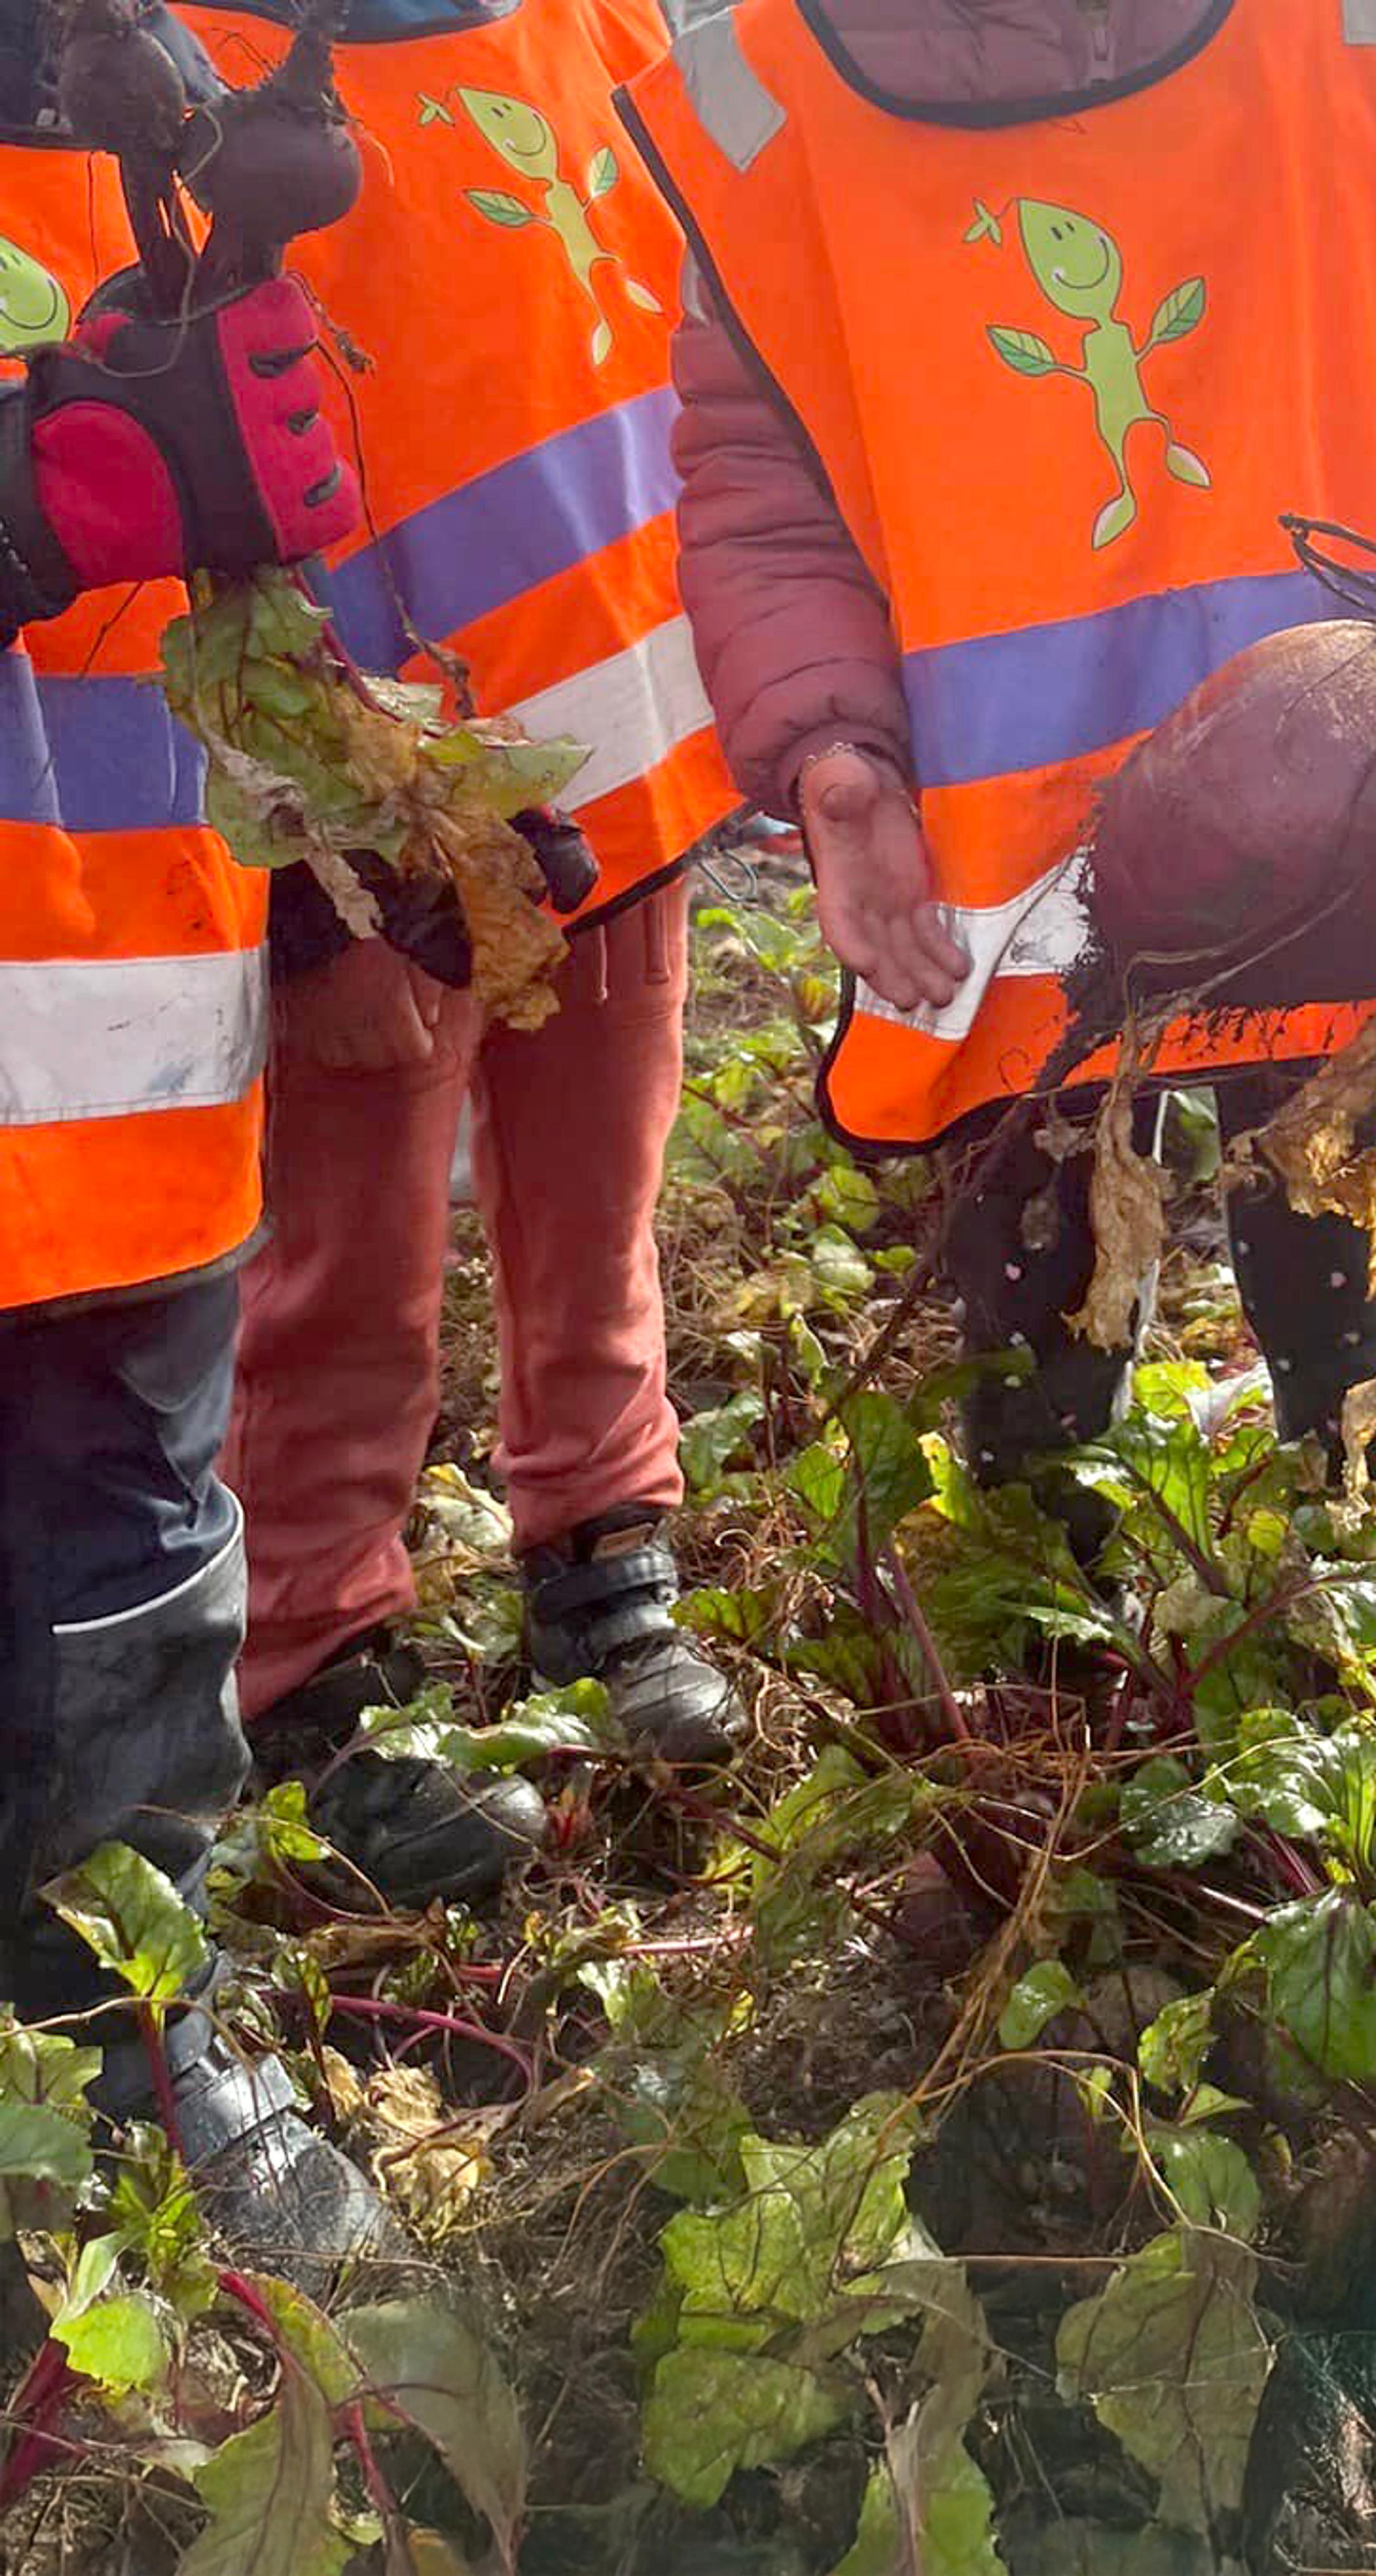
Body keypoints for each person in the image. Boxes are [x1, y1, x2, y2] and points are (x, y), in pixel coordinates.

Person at [617, 0, 1376, 1542]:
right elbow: (767, 483)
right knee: (1049, 1276)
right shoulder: (767, 92)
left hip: (1352, 824)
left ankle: (1340, 1599)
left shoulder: (1362, 29)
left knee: (1331, 1242)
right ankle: (1090, 1623)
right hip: (1023, 854)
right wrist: (833, 751)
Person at [183, 0, 749, 1914]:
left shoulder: (596, 11)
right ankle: (308, 1653)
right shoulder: (178, 67)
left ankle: (602, 1530)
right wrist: (292, 889)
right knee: (347, 1257)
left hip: (619, 763)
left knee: (602, 1188)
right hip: (363, 824)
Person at [0, 0, 400, 2281]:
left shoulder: (135, 67)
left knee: (131, 1526)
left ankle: (129, 2033)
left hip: (112, 1002)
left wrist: (351, 838)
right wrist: (32, 496)